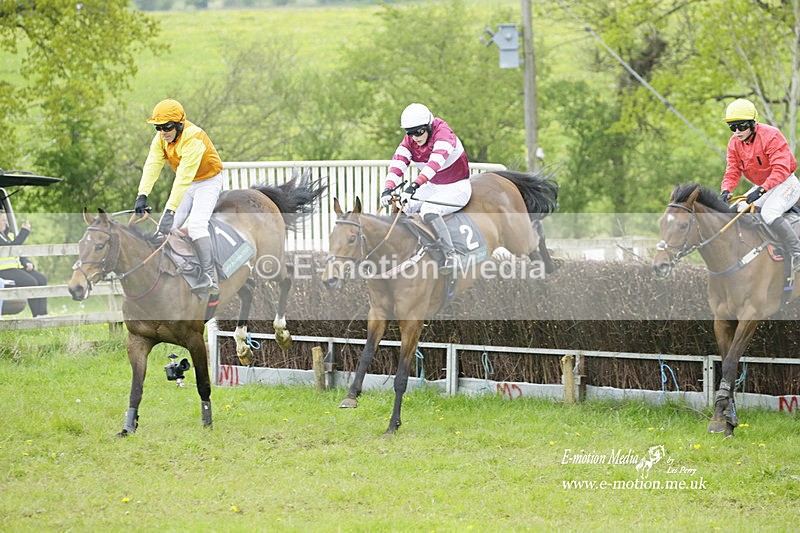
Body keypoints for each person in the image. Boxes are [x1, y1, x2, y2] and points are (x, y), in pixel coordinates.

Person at [134, 99, 223, 294]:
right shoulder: (160, 139)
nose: (163, 132)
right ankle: (175, 272)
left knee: (197, 226)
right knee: (164, 230)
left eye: (167, 127)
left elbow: (183, 177)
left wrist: (170, 210)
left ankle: (209, 277)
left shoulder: (194, 138)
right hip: (188, 184)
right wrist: (142, 195)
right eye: (158, 127)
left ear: (179, 124)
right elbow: (152, 166)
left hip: (208, 182)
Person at [379, 103, 471, 274]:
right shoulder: (411, 140)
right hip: (433, 186)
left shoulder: (443, 134)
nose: (415, 137)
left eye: (419, 132)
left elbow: (433, 165)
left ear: (428, 126)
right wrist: (387, 188)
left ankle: (451, 256)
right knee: (400, 208)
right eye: (410, 133)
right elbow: (398, 163)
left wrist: (413, 186)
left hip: (456, 187)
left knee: (429, 209)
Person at [720, 98, 800, 271]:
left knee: (769, 213)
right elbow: (732, 171)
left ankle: (797, 252)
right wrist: (726, 189)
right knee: (737, 209)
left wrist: (762, 190)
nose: (737, 132)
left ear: (753, 123)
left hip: (786, 182)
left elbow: (780, 169)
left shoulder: (771, 135)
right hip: (764, 186)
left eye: (741, 126)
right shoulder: (734, 143)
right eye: (732, 127)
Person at [0, 207, 49, 317]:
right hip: (3, 270)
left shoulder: (9, 234)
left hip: (15, 268)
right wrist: (24, 232)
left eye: (6, 220)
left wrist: (26, 262)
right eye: (3, 220)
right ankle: (36, 316)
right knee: (31, 282)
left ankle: (43, 315)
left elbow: (17, 252)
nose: (6, 223)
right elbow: (10, 248)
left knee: (42, 279)